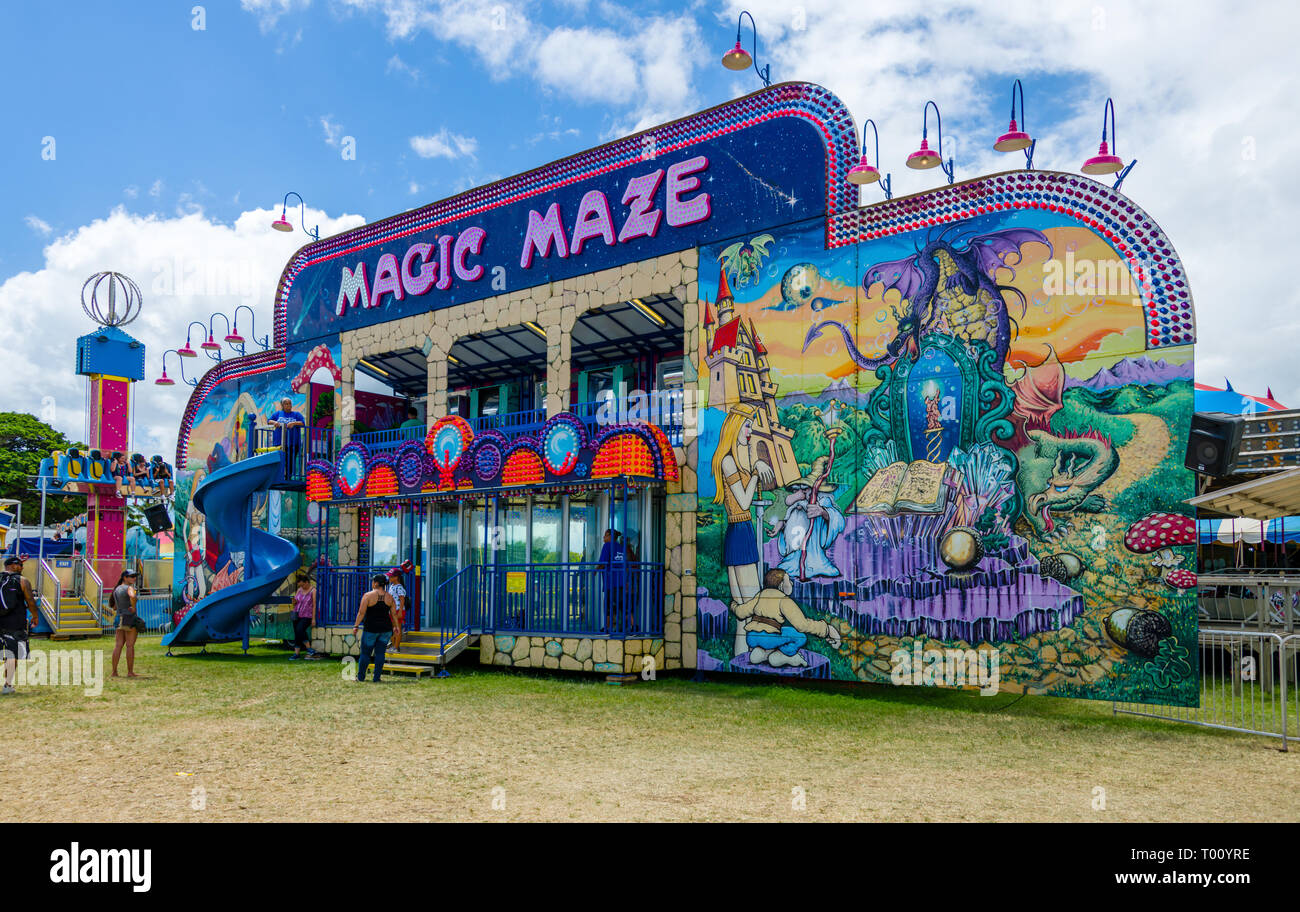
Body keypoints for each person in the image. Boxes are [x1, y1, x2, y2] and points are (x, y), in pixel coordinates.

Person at [712, 403, 776, 655]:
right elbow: (744, 501)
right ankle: (747, 658)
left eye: (751, 425)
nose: (750, 430)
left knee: (743, 609)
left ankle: (740, 658)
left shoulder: (736, 459)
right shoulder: (728, 461)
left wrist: (754, 465)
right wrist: (757, 474)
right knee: (749, 604)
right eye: (747, 424)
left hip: (741, 530)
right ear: (736, 425)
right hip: (740, 530)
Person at [733, 568, 842, 669]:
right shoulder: (784, 599)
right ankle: (784, 655)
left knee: (780, 634)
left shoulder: (760, 594)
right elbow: (802, 625)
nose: (792, 583)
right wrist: (827, 629)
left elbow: (741, 612)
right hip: (770, 638)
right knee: (800, 637)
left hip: (752, 637)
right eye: (788, 581)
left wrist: (733, 606)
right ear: (781, 585)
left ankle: (763, 653)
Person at [0, 556, 38, 695]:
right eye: (20, 565)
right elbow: (30, 601)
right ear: (13, 566)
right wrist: (35, 617)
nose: (22, 568)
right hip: (15, 623)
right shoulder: (22, 581)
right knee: (13, 655)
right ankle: (7, 685)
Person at [352, 574, 399, 682]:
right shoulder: (390, 597)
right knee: (380, 653)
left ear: (376, 583)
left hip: (371, 629)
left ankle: (361, 677)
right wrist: (396, 627)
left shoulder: (368, 596)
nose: (372, 583)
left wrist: (356, 626)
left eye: (373, 581)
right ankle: (377, 678)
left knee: (365, 653)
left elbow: (361, 613)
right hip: (386, 629)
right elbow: (394, 614)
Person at [110, 569, 146, 678]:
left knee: (118, 645)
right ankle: (130, 672)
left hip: (119, 618)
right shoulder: (129, 588)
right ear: (125, 577)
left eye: (135, 576)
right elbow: (132, 596)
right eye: (131, 576)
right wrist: (133, 607)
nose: (134, 578)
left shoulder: (117, 589)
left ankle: (114, 672)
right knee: (130, 646)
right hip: (129, 618)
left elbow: (115, 606)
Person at [268, 397, 306, 478]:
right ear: (282, 405)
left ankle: (288, 477)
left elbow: (303, 423)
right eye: (286, 403)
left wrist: (294, 423)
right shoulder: (278, 414)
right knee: (279, 459)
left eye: (289, 403)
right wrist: (275, 422)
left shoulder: (296, 414)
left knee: (290, 461)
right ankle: (278, 476)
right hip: (279, 442)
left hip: (293, 442)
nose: (288, 405)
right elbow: (269, 421)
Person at [598, 529, 626, 632]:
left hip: (611, 582)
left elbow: (603, 562)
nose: (603, 538)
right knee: (623, 606)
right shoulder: (621, 547)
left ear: (610, 536)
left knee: (609, 606)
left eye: (605, 535)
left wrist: (595, 571)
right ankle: (632, 627)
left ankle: (608, 628)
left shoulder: (607, 545)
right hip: (621, 581)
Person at [289, 573, 317, 660]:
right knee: (297, 633)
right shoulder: (299, 590)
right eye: (300, 585)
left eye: (302, 585)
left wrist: (313, 619)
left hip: (307, 615)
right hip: (297, 614)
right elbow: (296, 603)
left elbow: (314, 605)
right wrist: (293, 600)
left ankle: (309, 648)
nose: (302, 587)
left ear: (307, 582)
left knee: (299, 629)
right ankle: (296, 654)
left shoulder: (313, 591)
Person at [386, 568, 408, 645]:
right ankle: (393, 644)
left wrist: (400, 612)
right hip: (392, 611)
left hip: (398, 610)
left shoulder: (399, 587)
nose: (389, 578)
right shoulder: (392, 586)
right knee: (393, 629)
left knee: (397, 628)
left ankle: (396, 647)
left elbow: (402, 600)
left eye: (391, 576)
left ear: (396, 577)